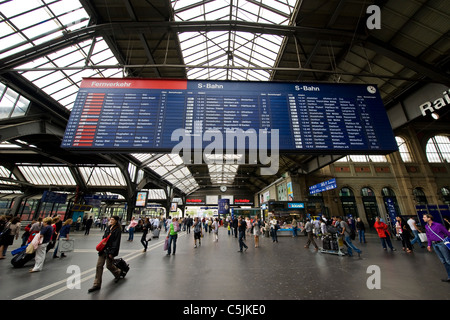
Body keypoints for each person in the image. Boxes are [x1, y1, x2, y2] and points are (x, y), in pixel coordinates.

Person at [88, 216, 123, 293]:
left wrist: (112, 252)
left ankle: (118, 272)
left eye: (113, 219)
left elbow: (116, 242)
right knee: (99, 266)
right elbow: (104, 237)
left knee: (109, 266)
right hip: (103, 249)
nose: (111, 220)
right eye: (111, 219)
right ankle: (96, 284)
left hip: (110, 250)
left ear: (116, 221)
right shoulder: (108, 227)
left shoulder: (117, 229)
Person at [423, 214, 450, 282]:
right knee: (443, 261)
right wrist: (429, 245)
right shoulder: (426, 226)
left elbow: (447, 233)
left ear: (429, 218)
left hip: (441, 243)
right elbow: (428, 236)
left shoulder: (438, 225)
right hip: (434, 244)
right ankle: (449, 276)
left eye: (424, 217)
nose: (423, 218)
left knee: (448, 260)